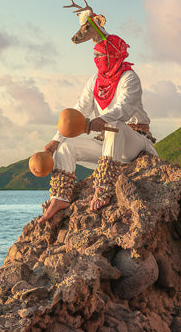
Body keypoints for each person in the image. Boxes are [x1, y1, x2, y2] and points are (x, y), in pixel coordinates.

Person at [40, 33, 156, 220]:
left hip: (135, 144)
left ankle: (103, 187)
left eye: (101, 55)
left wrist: (102, 120)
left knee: (114, 123)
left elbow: (124, 108)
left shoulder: (129, 78)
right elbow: (79, 111)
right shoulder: (94, 80)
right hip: (107, 143)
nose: (96, 59)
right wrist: (55, 140)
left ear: (113, 55)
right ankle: (60, 197)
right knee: (66, 147)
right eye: (95, 55)